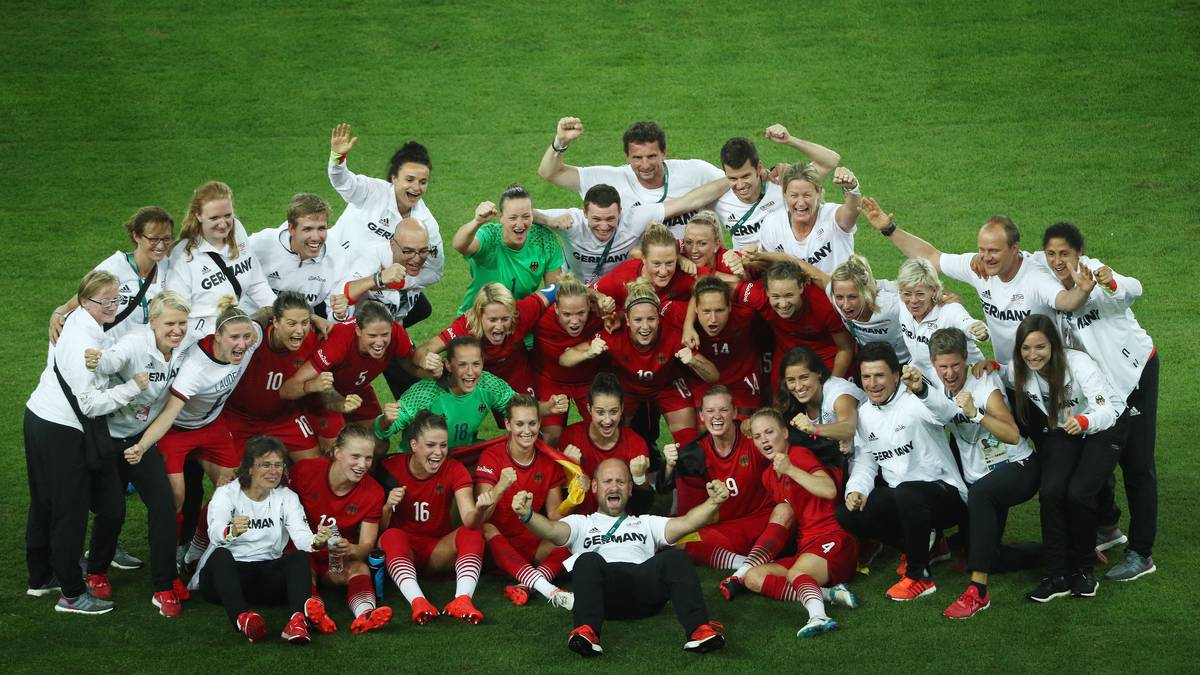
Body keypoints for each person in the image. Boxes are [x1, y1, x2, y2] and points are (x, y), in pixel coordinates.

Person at [1033, 222, 1158, 581]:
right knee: (1092, 449)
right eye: (1052, 253)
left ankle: (1141, 553)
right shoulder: (1044, 279)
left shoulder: (1094, 272)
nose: (1058, 261)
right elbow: (1012, 260)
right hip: (1091, 383)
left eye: (1065, 254)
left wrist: (1109, 280)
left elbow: (1133, 290)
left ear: (1079, 252)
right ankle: (1107, 526)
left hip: (1134, 377)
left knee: (1136, 464)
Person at [513, 457, 730, 656]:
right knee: (587, 560)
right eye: (607, 481)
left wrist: (714, 502)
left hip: (645, 592)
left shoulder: (646, 523)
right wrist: (527, 515)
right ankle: (586, 632)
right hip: (603, 597)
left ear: (629, 488)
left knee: (676, 558)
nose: (614, 487)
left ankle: (700, 631)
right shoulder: (581, 523)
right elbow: (550, 530)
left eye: (620, 481)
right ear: (595, 488)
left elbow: (687, 523)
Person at [24, 271, 148, 614]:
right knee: (70, 511)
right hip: (63, 430)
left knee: (46, 503)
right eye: (103, 301)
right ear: (83, 300)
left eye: (115, 298)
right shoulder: (84, 342)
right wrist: (132, 388)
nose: (111, 306)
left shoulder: (75, 321)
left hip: (40, 417)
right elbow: (90, 404)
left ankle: (40, 578)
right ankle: (72, 593)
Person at [860, 197, 1092, 374]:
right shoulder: (978, 267)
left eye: (994, 251)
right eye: (982, 249)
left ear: (1014, 249)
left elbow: (1065, 302)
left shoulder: (1035, 277)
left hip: (1045, 371)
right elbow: (932, 256)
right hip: (1005, 372)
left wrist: (1082, 289)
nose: (986, 257)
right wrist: (888, 229)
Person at [86, 291, 193, 616]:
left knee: (164, 506)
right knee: (113, 509)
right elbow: (109, 360)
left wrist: (143, 445)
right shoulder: (135, 344)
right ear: (153, 323)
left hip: (139, 440)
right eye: (170, 324)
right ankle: (96, 570)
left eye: (182, 323)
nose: (177, 330)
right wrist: (96, 359)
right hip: (104, 437)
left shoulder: (183, 350)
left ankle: (163, 586)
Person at [836, 343, 968, 601]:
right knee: (847, 513)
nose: (872, 383)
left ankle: (920, 577)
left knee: (907, 492)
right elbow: (866, 461)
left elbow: (948, 412)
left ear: (896, 376)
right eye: (866, 376)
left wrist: (921, 389)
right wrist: (856, 491)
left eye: (879, 376)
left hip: (946, 495)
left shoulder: (914, 400)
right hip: (907, 503)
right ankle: (929, 544)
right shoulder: (863, 414)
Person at [922, 328, 1037, 618]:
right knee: (989, 557)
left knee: (981, 495)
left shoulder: (985, 386)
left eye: (956, 365)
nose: (949, 374)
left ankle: (978, 592)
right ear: (933, 364)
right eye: (943, 367)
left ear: (965, 359)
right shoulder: (933, 383)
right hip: (979, 476)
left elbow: (1011, 435)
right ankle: (1065, 552)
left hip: (1017, 467)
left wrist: (976, 413)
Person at [127, 298, 262, 543]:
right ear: (218, 336)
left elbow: (264, 317)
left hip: (212, 426)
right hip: (177, 431)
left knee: (234, 490)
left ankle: (202, 544)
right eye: (234, 337)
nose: (242, 344)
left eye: (246, 336)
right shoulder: (195, 369)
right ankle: (173, 551)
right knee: (176, 498)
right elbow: (169, 414)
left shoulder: (252, 340)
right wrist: (142, 445)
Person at [1010, 315, 1125, 602]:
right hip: (1067, 430)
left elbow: (1107, 410)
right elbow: (994, 372)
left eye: (1040, 347)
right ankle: (1056, 574)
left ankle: (1084, 570)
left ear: (1054, 346)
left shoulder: (1079, 364)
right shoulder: (1017, 370)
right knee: (1050, 493)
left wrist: (1085, 421)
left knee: (1078, 494)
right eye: (1026, 348)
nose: (1032, 355)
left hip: (1103, 427)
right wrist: (982, 363)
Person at [192, 435, 333, 644]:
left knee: (300, 558)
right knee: (220, 555)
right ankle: (242, 618)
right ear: (249, 468)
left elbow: (302, 537)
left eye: (278, 465)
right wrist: (231, 531)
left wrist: (317, 541)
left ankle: (296, 622)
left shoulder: (286, 497)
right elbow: (215, 533)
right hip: (225, 579)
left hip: (265, 575)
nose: (273, 471)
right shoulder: (226, 494)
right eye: (265, 465)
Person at [739, 409, 859, 638]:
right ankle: (828, 594)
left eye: (769, 432)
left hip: (834, 539)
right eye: (757, 436)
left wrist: (790, 470)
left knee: (797, 573)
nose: (764, 439)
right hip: (807, 547)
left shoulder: (799, 455)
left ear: (785, 433)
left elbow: (829, 490)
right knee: (753, 578)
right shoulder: (768, 476)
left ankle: (819, 616)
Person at [561, 280, 715, 449]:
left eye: (651, 319)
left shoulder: (672, 334)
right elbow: (565, 359)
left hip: (666, 387)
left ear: (659, 318)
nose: (645, 327)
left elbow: (713, 375)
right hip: (628, 389)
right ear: (626, 319)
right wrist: (588, 353)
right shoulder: (614, 335)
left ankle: (683, 473)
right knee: (612, 435)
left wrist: (693, 361)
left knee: (689, 441)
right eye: (638, 320)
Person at [281, 300, 440, 454]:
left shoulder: (397, 333)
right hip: (323, 393)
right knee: (338, 449)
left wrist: (431, 371)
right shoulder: (339, 340)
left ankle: (368, 480)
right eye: (372, 335)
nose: (379, 343)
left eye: (385, 334)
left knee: (378, 445)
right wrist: (333, 399)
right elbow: (292, 386)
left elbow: (409, 366)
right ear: (358, 330)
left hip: (357, 390)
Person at [326, 124, 442, 330]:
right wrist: (337, 158)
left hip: (373, 289)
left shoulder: (427, 226)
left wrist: (394, 282)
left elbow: (435, 271)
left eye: (423, 182)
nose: (416, 188)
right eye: (410, 179)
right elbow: (343, 182)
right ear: (394, 178)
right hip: (334, 271)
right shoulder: (372, 192)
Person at [377, 412, 488, 624]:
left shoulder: (454, 469)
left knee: (471, 532)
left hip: (437, 551)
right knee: (392, 535)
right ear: (414, 445)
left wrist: (480, 509)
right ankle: (418, 602)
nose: (438, 452)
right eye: (430, 445)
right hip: (403, 550)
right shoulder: (390, 469)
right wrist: (388, 506)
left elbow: (469, 519)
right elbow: (378, 531)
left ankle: (463, 599)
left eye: (443, 445)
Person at [663, 388, 787, 576]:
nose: (717, 416)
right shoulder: (695, 453)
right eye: (711, 411)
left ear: (735, 412)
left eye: (723, 410)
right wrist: (669, 467)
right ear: (702, 416)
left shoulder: (752, 436)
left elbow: (784, 445)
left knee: (788, 514)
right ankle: (747, 564)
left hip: (765, 518)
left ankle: (755, 560)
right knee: (680, 543)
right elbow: (688, 514)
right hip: (730, 526)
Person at [537, 117, 724, 238]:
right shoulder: (610, 179)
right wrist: (560, 142)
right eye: (637, 158)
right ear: (626, 157)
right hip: (643, 272)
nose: (645, 165)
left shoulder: (695, 171)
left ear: (664, 153)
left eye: (651, 156)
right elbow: (550, 173)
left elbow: (734, 181)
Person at [472, 396, 574, 609]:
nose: (526, 430)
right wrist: (501, 486)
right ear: (508, 424)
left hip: (531, 541)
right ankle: (547, 588)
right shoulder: (492, 456)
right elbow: (482, 516)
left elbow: (554, 515)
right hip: (497, 546)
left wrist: (574, 490)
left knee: (571, 537)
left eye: (532, 423)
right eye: (519, 424)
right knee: (487, 527)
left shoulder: (548, 460)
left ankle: (529, 582)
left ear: (539, 423)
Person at [290, 425, 393, 634]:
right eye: (355, 456)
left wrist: (351, 549)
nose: (362, 465)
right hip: (300, 553)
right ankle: (314, 613)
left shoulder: (373, 491)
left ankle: (366, 614)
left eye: (368, 458)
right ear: (337, 452)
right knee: (301, 567)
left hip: (335, 560)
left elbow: (366, 544)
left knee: (360, 568)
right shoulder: (305, 471)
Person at [375, 336, 549, 453]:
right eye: (463, 365)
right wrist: (386, 420)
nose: (470, 372)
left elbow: (520, 409)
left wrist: (548, 407)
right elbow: (383, 432)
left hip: (462, 457)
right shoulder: (426, 393)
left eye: (476, 364)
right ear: (449, 365)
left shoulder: (488, 384)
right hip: (422, 461)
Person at [536, 179, 729, 283]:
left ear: (621, 212)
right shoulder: (571, 221)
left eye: (611, 219)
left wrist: (735, 178)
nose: (604, 226)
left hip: (618, 289)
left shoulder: (634, 218)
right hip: (576, 289)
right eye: (596, 219)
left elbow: (688, 202)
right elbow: (520, 213)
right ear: (584, 212)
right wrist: (549, 220)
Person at [223, 292, 337, 460]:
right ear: (275, 322)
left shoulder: (313, 340)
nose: (299, 331)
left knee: (315, 466)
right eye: (291, 323)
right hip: (238, 419)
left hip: (284, 418)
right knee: (239, 480)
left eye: (304, 322)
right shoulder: (251, 340)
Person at [335, 217, 436, 398]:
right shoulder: (371, 256)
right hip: (360, 330)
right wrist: (379, 278)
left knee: (424, 309)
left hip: (392, 322)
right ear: (392, 246)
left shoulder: (430, 262)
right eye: (408, 251)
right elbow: (345, 292)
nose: (417, 258)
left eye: (423, 251)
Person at [49, 206, 176, 343]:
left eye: (166, 238)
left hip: (141, 354)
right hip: (108, 351)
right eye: (154, 239)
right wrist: (58, 313)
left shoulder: (167, 267)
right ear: (137, 236)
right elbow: (81, 300)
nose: (161, 245)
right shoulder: (114, 267)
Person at [166, 181, 277, 336]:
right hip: (204, 341)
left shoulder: (237, 230)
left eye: (227, 215)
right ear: (198, 215)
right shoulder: (183, 256)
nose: (223, 224)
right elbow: (177, 315)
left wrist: (281, 313)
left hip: (238, 332)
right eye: (214, 218)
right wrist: (219, 337)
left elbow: (256, 283)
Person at [416, 282, 553, 398]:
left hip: (514, 369)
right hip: (476, 376)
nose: (499, 327)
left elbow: (559, 289)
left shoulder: (523, 312)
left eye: (505, 319)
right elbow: (422, 351)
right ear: (479, 316)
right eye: (492, 320)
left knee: (526, 416)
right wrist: (426, 360)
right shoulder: (463, 329)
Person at [714, 126, 841, 250]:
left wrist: (790, 140)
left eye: (746, 176)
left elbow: (831, 161)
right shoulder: (720, 200)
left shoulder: (781, 184)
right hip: (746, 268)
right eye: (733, 179)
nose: (740, 185)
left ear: (759, 168)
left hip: (785, 266)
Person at [730, 260, 855, 384]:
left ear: (801, 287)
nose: (783, 304)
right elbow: (726, 288)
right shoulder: (756, 296)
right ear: (767, 292)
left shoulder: (824, 305)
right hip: (786, 353)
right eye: (776, 296)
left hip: (824, 355)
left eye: (789, 295)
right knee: (778, 401)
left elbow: (845, 348)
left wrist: (832, 386)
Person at [453, 185, 563, 314]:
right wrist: (477, 221)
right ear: (501, 217)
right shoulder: (489, 236)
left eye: (526, 216)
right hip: (477, 319)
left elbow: (554, 290)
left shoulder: (545, 241)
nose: (520, 224)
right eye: (513, 218)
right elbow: (459, 245)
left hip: (519, 321)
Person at [664, 275, 762, 417]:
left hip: (741, 382)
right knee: (704, 434)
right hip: (701, 382)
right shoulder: (679, 313)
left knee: (742, 431)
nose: (713, 319)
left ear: (729, 306)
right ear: (696, 308)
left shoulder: (746, 313)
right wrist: (688, 324)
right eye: (706, 311)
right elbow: (655, 307)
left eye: (719, 310)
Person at [531, 276, 613, 446]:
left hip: (589, 380)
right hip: (551, 380)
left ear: (590, 307)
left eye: (581, 313)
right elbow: (565, 360)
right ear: (555, 308)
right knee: (551, 437)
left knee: (604, 429)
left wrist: (604, 302)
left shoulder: (600, 315)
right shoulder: (541, 320)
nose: (575, 321)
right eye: (567, 314)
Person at [558, 373, 653, 515]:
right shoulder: (570, 436)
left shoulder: (635, 443)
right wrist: (570, 473)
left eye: (613, 412)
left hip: (622, 523)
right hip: (581, 522)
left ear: (622, 409)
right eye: (600, 412)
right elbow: (560, 504)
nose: (607, 420)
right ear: (589, 409)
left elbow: (643, 507)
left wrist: (639, 478)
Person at [748, 163, 862, 274]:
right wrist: (748, 257)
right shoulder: (772, 224)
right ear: (784, 194)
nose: (801, 203)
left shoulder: (832, 217)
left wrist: (852, 188)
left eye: (807, 195)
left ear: (819, 192)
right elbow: (769, 268)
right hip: (795, 292)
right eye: (794, 195)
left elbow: (851, 212)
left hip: (838, 292)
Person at [248, 193, 343, 319]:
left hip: (298, 326)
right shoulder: (261, 244)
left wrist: (340, 314)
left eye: (321, 228)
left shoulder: (337, 258)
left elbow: (336, 313)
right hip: (252, 321)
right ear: (291, 229)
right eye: (307, 229)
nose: (316, 237)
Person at [894, 257, 987, 386]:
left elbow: (967, 324)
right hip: (923, 375)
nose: (913, 300)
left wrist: (979, 330)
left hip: (964, 378)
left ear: (934, 290)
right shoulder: (901, 301)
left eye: (920, 294)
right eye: (907, 294)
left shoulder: (949, 310)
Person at [799, 254, 910, 362]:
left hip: (904, 362)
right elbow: (812, 272)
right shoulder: (834, 294)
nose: (845, 305)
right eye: (839, 297)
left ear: (865, 292)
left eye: (852, 297)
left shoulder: (893, 305)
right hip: (868, 363)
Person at [773, 345, 865, 458]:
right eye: (791, 380)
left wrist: (813, 428)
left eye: (804, 377)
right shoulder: (791, 398)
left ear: (819, 373)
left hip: (873, 452)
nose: (798, 387)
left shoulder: (839, 393)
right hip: (846, 459)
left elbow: (849, 428)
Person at [591, 222, 705, 307]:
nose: (664, 271)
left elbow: (718, 282)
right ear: (643, 258)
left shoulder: (686, 272)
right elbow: (582, 291)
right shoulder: (624, 275)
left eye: (670, 262)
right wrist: (600, 297)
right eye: (656, 264)